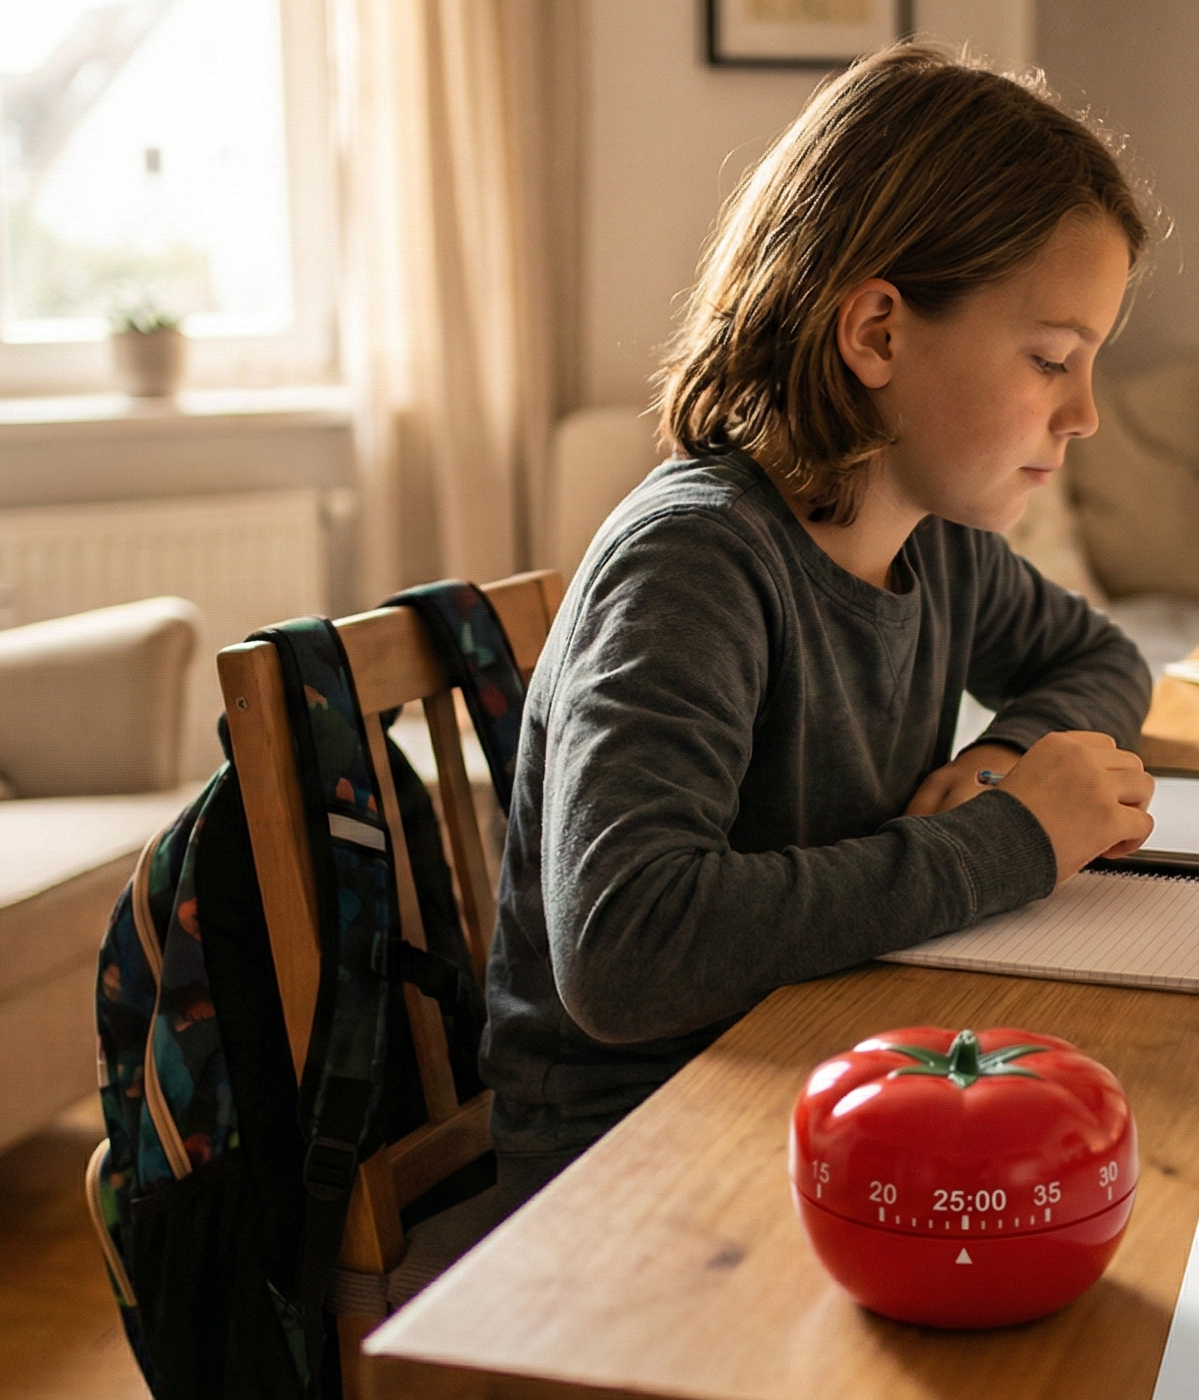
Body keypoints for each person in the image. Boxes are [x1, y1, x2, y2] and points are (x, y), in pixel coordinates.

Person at [481, 44, 1159, 1206]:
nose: (1085, 413)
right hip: (635, 1150)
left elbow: (1095, 654)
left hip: (820, 1061)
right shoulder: (694, 562)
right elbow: (623, 948)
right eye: (1051, 358)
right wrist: (1009, 843)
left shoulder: (931, 540)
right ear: (879, 334)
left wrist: (1002, 763)